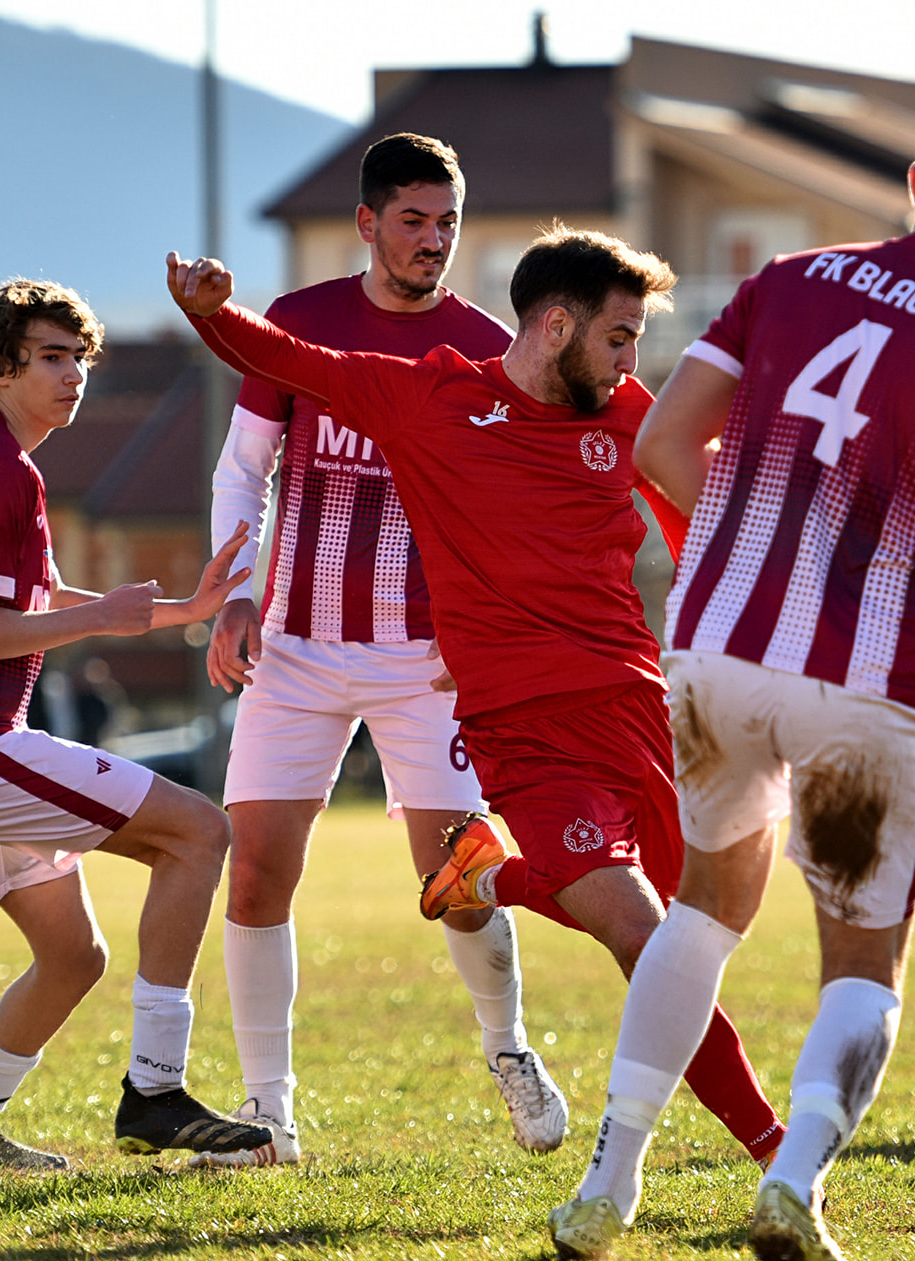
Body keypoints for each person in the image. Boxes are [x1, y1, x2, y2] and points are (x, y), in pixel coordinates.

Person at [553, 95, 915, 1261]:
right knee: (859, 964)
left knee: (701, 909)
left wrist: (740, 541)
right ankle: (792, 1183)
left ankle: (609, 1175)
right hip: (864, 685)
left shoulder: (788, 278)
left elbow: (662, 447)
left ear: (913, 179)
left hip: (718, 649)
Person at [164, 231, 788, 1179]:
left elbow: (698, 519)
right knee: (645, 938)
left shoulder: (625, 415)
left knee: (693, 951)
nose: (632, 363)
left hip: (635, 711)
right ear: (555, 324)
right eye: (620, 338)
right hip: (523, 731)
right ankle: (778, 1153)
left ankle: (489, 876)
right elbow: (290, 361)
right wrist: (209, 311)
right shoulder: (433, 398)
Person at [196, 133, 565, 1168]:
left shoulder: (487, 347)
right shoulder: (299, 325)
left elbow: (505, 509)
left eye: (446, 223)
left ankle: (509, 1049)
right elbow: (241, 471)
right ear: (366, 224)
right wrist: (231, 593)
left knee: (456, 878)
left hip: (424, 661)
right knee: (258, 872)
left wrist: (484, 625)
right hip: (296, 650)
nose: (432, 241)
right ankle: (268, 1114)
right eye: (412, 221)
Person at [0, 279, 271, 1170]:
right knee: (200, 832)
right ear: (1, 366)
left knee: (72, 955)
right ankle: (158, 1092)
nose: (74, 376)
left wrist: (173, 610)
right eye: (53, 357)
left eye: (81, 359)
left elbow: (39, 598)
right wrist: (105, 620)